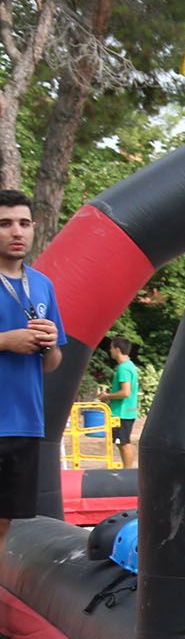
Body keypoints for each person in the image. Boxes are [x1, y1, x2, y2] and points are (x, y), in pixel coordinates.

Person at [0, 190, 66, 556]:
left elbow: (52, 363)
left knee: (4, 523)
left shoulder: (42, 285)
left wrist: (50, 345)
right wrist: (6, 341)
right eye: (6, 223)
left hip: (25, 423)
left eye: (24, 223)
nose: (16, 231)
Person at [99, 337, 139, 469]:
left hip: (121, 413)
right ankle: (128, 471)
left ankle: (127, 473)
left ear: (117, 349)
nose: (110, 351)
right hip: (128, 411)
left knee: (123, 443)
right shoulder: (131, 366)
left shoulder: (123, 368)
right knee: (123, 442)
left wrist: (107, 396)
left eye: (111, 348)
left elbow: (125, 392)